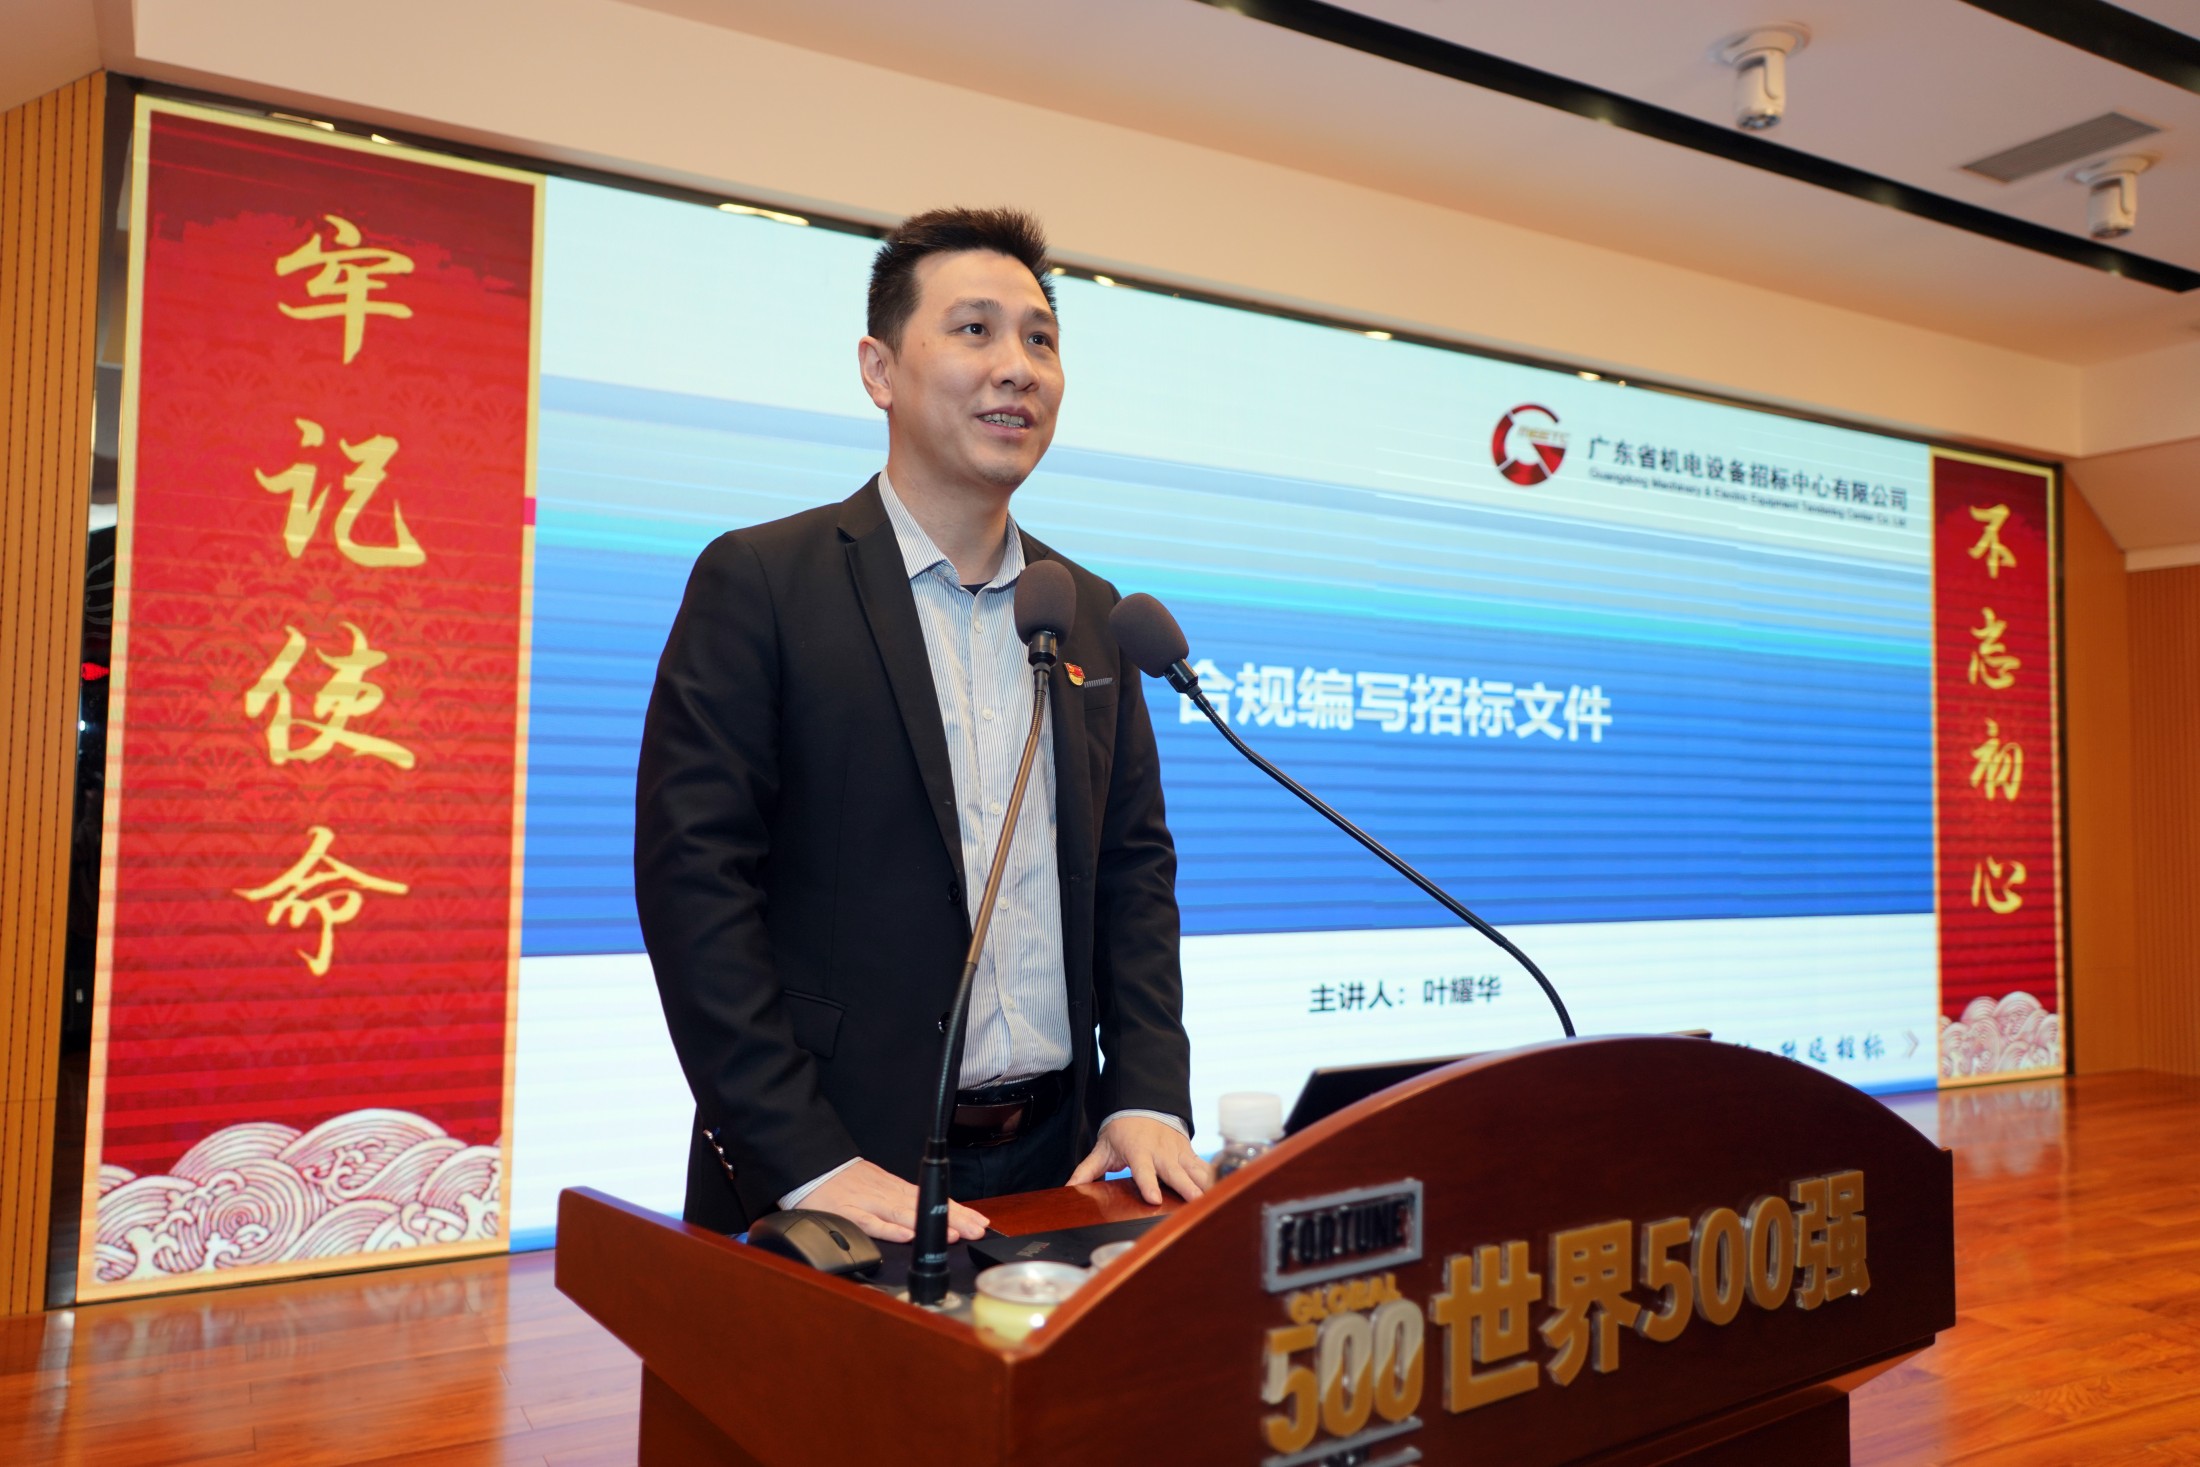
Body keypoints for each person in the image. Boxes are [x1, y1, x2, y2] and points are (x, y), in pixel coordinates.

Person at [635, 207, 1210, 1245]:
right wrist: (802, 1157)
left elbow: (1133, 873)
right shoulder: (762, 582)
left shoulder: (1088, 611)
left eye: (1040, 339)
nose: (1018, 367)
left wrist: (1148, 1092)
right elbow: (695, 887)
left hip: (1061, 1158)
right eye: (974, 330)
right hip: (837, 1162)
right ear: (880, 370)